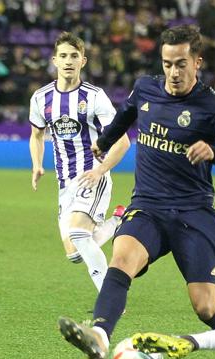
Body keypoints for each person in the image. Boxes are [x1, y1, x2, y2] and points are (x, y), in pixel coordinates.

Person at [56, 25, 215, 359]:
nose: (173, 72)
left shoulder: (213, 106)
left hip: (193, 213)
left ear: (197, 62)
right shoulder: (146, 87)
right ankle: (100, 335)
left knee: (205, 306)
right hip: (148, 206)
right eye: (168, 63)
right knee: (121, 260)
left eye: (181, 64)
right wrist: (104, 141)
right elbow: (126, 115)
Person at [29, 32, 130, 292]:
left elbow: (123, 141)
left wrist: (101, 170)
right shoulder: (41, 98)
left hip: (92, 175)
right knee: (75, 253)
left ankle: (110, 298)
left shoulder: (95, 97)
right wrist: (37, 164)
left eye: (74, 56)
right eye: (63, 56)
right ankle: (118, 221)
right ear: (54, 60)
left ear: (83, 61)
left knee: (77, 233)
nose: (68, 61)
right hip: (65, 182)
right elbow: (37, 135)